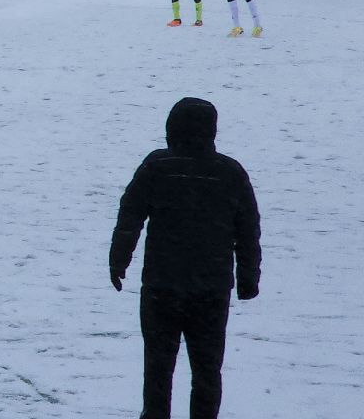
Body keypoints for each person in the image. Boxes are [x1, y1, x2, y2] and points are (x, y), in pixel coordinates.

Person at [109, 97, 261, 419]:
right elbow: (248, 230)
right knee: (207, 373)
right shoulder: (230, 173)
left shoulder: (157, 166)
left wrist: (119, 258)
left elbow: (131, 214)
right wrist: (248, 277)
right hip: (211, 291)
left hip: (161, 288)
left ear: (171, 129)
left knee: (158, 373)